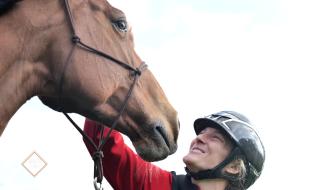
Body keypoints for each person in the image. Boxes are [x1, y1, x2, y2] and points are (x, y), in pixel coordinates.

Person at [83, 111, 265, 190]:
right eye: (202, 133)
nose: (198, 138)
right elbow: (103, 142)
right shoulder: (157, 184)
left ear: (234, 167)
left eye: (215, 138)